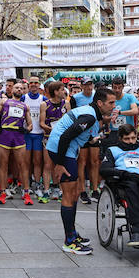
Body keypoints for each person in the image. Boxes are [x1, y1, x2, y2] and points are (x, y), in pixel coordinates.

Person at [47, 86, 117, 254]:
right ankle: (69, 241)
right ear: (100, 103)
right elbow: (65, 137)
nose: (114, 106)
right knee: (69, 195)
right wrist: (59, 163)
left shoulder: (93, 114)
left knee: (76, 193)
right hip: (62, 150)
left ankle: (72, 233)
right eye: (111, 103)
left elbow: (83, 138)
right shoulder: (90, 116)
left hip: (68, 150)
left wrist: (96, 139)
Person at [0, 80, 32, 205]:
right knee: (3, 165)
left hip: (18, 136)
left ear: (24, 91)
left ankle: (26, 192)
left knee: (23, 165)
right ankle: (3, 192)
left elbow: (30, 124)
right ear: (11, 89)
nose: (19, 89)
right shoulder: (4, 102)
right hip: (4, 135)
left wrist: (26, 129)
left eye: (21, 88)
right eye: (17, 87)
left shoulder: (25, 106)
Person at [40, 80, 69, 200]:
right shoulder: (44, 104)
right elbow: (41, 123)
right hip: (49, 138)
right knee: (48, 165)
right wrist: (53, 131)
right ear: (56, 91)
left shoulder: (66, 104)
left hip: (62, 139)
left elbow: (69, 121)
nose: (64, 91)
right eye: (62, 89)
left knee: (60, 163)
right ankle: (46, 190)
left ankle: (60, 190)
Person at [22, 76, 48, 201]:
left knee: (37, 162)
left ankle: (37, 184)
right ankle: (26, 186)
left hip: (39, 134)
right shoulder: (23, 98)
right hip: (26, 134)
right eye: (31, 82)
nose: (33, 85)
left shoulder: (43, 99)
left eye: (36, 83)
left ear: (39, 85)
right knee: (26, 162)